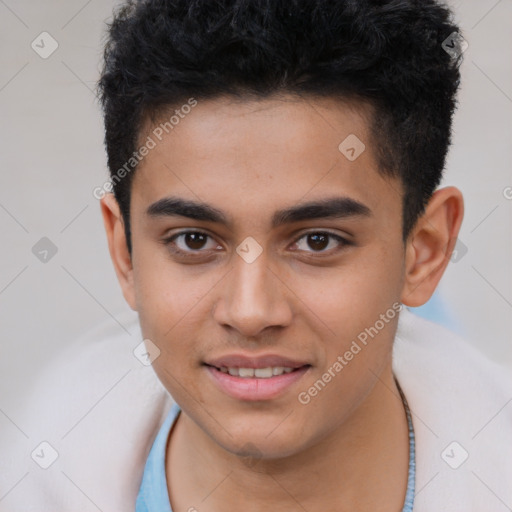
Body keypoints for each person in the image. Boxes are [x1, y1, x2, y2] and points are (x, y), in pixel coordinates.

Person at [4, 1, 510, 511]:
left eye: (318, 241)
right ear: (125, 253)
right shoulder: (38, 473)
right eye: (194, 241)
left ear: (425, 252)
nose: (250, 312)